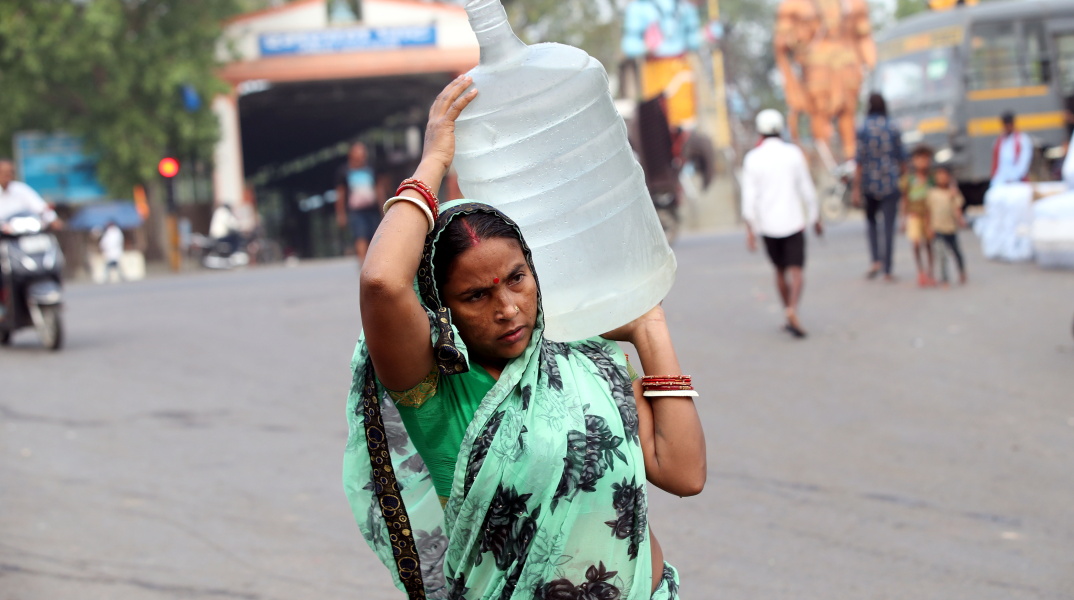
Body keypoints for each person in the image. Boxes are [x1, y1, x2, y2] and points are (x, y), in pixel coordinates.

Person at [344, 76, 706, 600]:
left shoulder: (585, 359)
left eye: (517, 278)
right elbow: (381, 281)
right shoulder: (439, 389)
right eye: (476, 296)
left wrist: (650, 330)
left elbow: (684, 473)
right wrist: (434, 161)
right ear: (442, 309)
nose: (508, 308)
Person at [741, 109, 822, 338]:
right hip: (793, 221)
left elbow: (749, 198)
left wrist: (750, 230)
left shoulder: (752, 158)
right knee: (797, 271)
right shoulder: (793, 153)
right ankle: (792, 309)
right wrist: (815, 216)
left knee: (779, 270)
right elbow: (806, 188)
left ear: (759, 131)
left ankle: (788, 313)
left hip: (767, 226)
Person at [853, 93, 904, 282]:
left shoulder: (863, 128)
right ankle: (888, 269)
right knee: (889, 226)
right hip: (891, 182)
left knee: (872, 223)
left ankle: (876, 260)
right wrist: (904, 182)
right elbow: (902, 158)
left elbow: (859, 160)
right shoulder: (892, 127)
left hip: (869, 182)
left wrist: (856, 188)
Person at [335, 141, 383, 266]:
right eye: (359, 153)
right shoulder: (344, 171)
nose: (362, 155)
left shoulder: (371, 168)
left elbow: (378, 188)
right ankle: (363, 265)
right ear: (351, 154)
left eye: (363, 153)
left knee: (374, 237)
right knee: (360, 236)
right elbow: (341, 194)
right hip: (356, 211)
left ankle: (373, 264)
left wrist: (383, 207)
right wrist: (341, 214)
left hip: (372, 209)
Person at [926, 164, 967, 286]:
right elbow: (928, 211)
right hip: (937, 228)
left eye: (944, 175)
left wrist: (961, 219)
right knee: (941, 254)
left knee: (956, 252)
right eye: (939, 175)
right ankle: (945, 279)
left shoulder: (953, 193)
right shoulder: (932, 193)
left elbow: (957, 208)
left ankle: (961, 272)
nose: (942, 178)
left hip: (951, 228)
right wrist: (928, 227)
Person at [901, 145, 935, 287]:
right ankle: (920, 271)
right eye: (919, 159)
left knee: (928, 244)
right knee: (916, 244)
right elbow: (905, 199)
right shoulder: (909, 180)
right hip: (914, 216)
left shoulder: (932, 179)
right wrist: (903, 219)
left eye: (926, 159)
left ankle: (930, 272)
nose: (923, 162)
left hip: (929, 216)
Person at [990, 111, 1033, 186]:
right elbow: (996, 163)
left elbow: (1023, 163)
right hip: (1001, 181)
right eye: (1005, 124)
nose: (1007, 126)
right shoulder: (998, 141)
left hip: (1017, 181)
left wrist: (1013, 178)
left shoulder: (1022, 140)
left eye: (1009, 124)